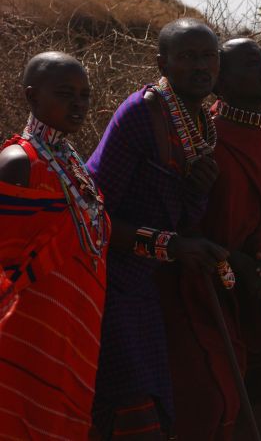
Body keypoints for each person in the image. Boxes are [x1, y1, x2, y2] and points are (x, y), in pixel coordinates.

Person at [87, 18, 230, 439]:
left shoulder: (202, 125)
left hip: (144, 287)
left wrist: (198, 194)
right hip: (106, 282)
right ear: (162, 63)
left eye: (209, 57)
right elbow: (95, 215)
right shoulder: (140, 113)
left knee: (152, 406)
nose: (201, 67)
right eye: (187, 57)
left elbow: (182, 218)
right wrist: (172, 245)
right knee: (127, 408)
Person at [0, 52, 110, 439]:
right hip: (25, 336)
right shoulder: (19, 163)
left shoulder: (74, 165)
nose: (78, 104)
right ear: (32, 97)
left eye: (84, 95)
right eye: (65, 94)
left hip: (76, 333)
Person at [199, 37, 261, 439]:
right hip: (203, 276)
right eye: (251, 66)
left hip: (249, 273)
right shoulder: (208, 137)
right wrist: (236, 261)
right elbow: (195, 222)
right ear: (221, 83)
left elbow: (256, 216)